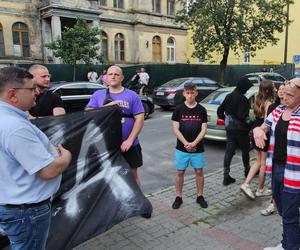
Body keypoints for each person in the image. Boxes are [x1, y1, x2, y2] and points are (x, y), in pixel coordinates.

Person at [0, 66, 72, 250]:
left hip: (16, 205)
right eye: (31, 89)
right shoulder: (15, 127)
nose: (36, 93)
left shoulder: (9, 119)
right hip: (27, 211)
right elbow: (49, 170)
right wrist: (66, 156)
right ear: (12, 95)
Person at [254, 78, 300, 250]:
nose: (284, 97)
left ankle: (290, 246)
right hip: (276, 169)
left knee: (289, 214)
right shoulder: (278, 110)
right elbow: (263, 127)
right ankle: (288, 242)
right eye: (284, 93)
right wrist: (258, 130)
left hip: (295, 174)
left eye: (290, 95)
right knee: (282, 209)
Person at [86, 65, 145, 186]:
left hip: (129, 145)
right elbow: (87, 113)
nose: (113, 76)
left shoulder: (132, 95)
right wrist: (108, 106)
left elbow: (139, 119)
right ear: (106, 77)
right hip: (105, 145)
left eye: (116, 74)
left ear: (122, 78)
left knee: (132, 174)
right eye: (110, 74)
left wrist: (129, 140)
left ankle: (137, 203)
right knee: (109, 176)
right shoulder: (98, 94)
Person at [171, 82, 208, 209]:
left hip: (198, 148)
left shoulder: (202, 110)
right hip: (182, 148)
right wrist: (186, 143)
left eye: (192, 93)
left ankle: (200, 196)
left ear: (196, 93)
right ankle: (178, 197)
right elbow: (175, 129)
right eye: (188, 93)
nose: (190, 95)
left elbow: (203, 129)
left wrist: (194, 143)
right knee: (180, 172)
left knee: (199, 171)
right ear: (184, 93)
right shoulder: (178, 109)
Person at [240, 80, 274, 199]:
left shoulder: (257, 100)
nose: (275, 89)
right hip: (262, 134)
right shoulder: (269, 103)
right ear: (269, 90)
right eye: (273, 87)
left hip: (255, 132)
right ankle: (260, 189)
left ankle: (246, 184)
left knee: (258, 161)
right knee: (263, 163)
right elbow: (267, 122)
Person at [217, 77, 253, 186]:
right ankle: (247, 172)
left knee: (229, 152)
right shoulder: (243, 99)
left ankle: (226, 176)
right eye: (247, 88)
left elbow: (219, 111)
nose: (247, 90)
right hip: (242, 131)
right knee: (245, 151)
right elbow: (243, 117)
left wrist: (227, 120)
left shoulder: (228, 96)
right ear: (243, 87)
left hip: (230, 130)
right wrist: (253, 123)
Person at [260, 83, 285, 216]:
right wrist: (258, 130)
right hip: (275, 153)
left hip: (292, 160)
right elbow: (265, 124)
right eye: (280, 90)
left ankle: (288, 214)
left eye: (285, 91)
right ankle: (274, 205)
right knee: (276, 187)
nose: (282, 93)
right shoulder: (275, 108)